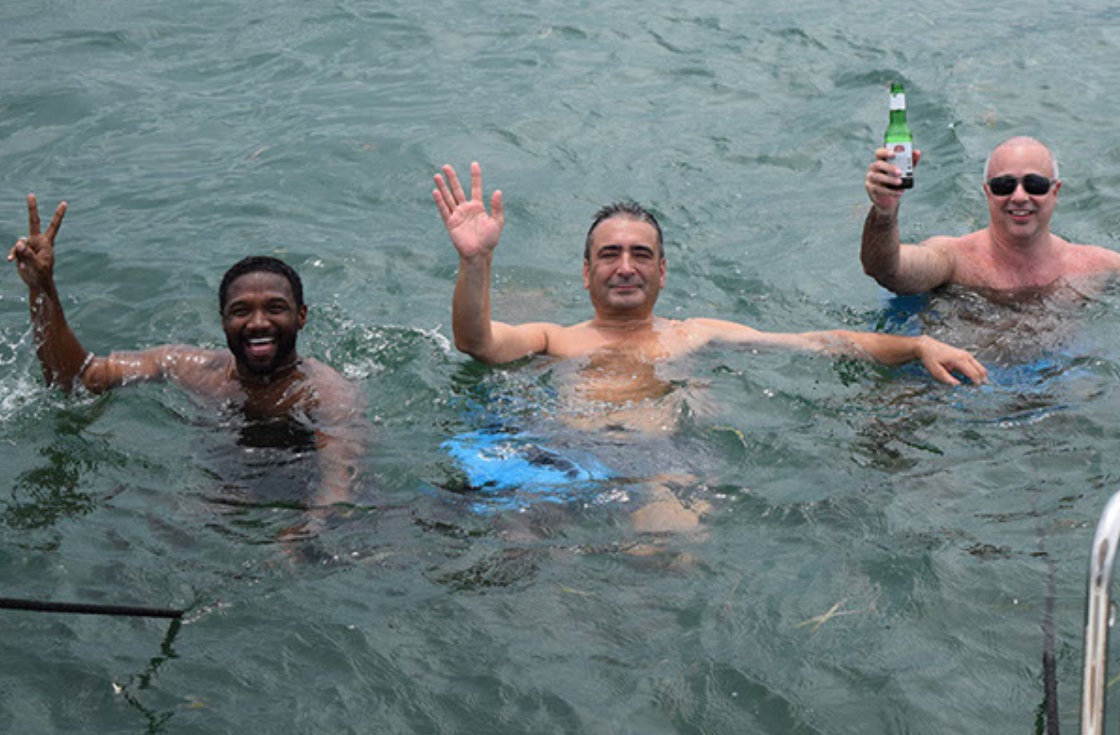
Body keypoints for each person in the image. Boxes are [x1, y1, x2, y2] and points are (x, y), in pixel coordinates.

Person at [432, 162, 987, 533]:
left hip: (658, 463)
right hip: (558, 453)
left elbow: (821, 342)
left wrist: (915, 345)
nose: (625, 267)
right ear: (585, 273)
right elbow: (477, 342)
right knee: (514, 541)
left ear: (662, 271)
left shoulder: (696, 333)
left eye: (640, 254)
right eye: (609, 254)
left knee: (670, 552)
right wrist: (475, 261)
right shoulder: (554, 338)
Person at [8, 194, 365, 533]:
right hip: (224, 493)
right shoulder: (189, 367)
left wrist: (304, 532)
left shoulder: (326, 393)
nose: (258, 323)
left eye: (275, 308)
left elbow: (338, 490)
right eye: (241, 310)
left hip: (298, 495)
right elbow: (77, 378)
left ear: (301, 316)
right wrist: (43, 287)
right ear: (223, 320)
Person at [861, 136, 1120, 295]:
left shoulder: (1091, 265)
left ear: (1055, 191)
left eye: (1034, 184)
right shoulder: (951, 258)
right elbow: (888, 270)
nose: (1019, 197)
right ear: (987, 192)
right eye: (1004, 185)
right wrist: (884, 212)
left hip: (1053, 387)